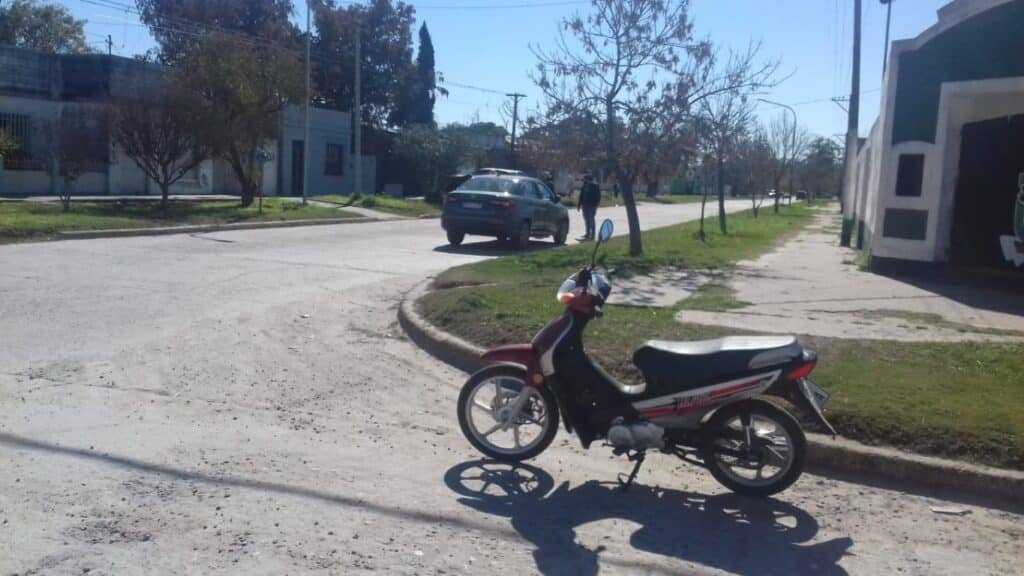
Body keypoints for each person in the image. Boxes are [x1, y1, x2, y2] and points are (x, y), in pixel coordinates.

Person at [578, 174, 601, 241]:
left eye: (585, 179)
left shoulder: (595, 186)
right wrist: (579, 205)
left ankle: (592, 235)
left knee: (591, 220)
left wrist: (596, 205)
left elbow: (598, 196)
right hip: (585, 205)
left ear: (588, 179)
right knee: (586, 220)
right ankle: (587, 234)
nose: (584, 181)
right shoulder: (584, 186)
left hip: (592, 206)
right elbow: (581, 196)